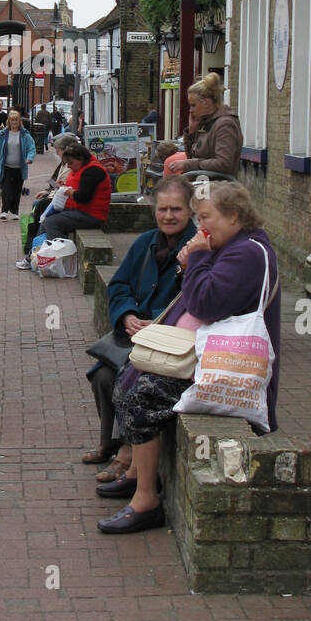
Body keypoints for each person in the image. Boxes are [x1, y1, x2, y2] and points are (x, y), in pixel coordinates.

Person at [97, 181, 280, 535]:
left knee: (142, 395)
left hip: (221, 368)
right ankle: (136, 473)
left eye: (206, 217)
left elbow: (204, 303)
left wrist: (195, 258)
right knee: (127, 377)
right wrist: (197, 259)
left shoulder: (248, 254)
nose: (200, 227)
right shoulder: (230, 244)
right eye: (197, 218)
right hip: (201, 355)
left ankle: (146, 499)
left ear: (235, 216)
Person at [83, 176, 197, 468]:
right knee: (101, 375)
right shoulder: (145, 243)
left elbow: (196, 303)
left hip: (170, 342)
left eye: (176, 209)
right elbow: (119, 285)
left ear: (190, 211)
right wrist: (127, 315)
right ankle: (110, 441)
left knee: (126, 376)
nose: (168, 216)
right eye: (163, 209)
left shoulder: (196, 249)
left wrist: (159, 325)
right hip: (134, 335)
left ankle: (128, 453)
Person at [15, 132, 79, 269]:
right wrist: (48, 191)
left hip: (62, 201)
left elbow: (63, 185)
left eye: (59, 151)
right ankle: (33, 248)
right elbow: (55, 182)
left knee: (41, 210)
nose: (58, 154)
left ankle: (33, 249)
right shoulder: (64, 164)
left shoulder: (70, 165)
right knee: (38, 206)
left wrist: (50, 192)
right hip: (58, 197)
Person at [174, 70, 242, 178]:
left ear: (207, 103)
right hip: (204, 188)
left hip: (218, 190)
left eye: (193, 105)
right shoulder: (206, 124)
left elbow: (224, 163)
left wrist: (189, 164)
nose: (190, 110)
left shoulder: (225, 125)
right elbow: (192, 156)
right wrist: (191, 132)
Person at [39, 141, 110, 242]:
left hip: (91, 215)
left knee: (51, 222)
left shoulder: (92, 171)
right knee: (46, 219)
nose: (68, 166)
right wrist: (63, 187)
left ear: (80, 159)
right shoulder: (82, 168)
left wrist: (68, 191)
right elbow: (78, 187)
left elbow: (83, 197)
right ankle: (37, 252)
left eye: (70, 163)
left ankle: (60, 253)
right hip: (80, 211)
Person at [0, 108, 36, 220]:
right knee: (6, 189)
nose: (14, 122)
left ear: (19, 121)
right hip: (6, 167)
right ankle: (4, 211)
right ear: (9, 121)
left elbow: (31, 148)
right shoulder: (3, 135)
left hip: (20, 167)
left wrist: (29, 158)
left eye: (16, 120)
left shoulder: (25, 135)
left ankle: (15, 211)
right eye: (12, 120)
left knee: (17, 190)